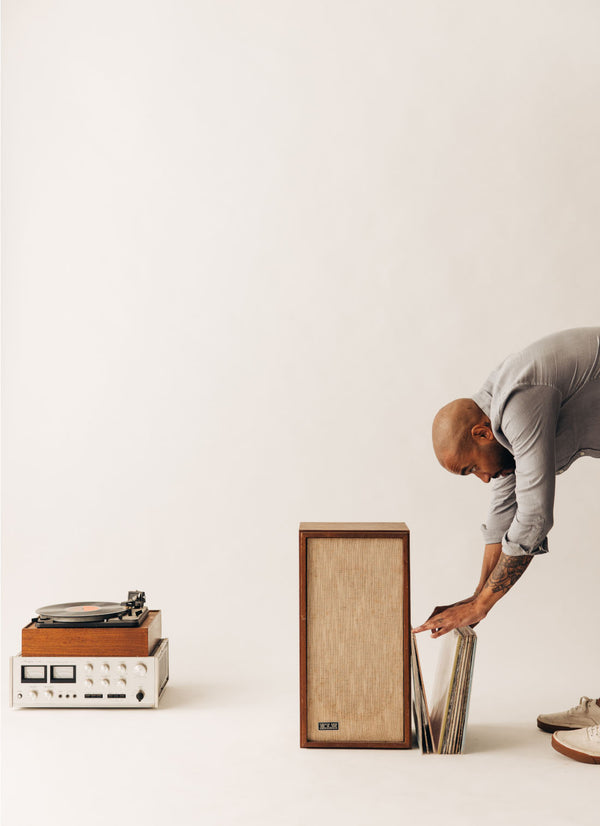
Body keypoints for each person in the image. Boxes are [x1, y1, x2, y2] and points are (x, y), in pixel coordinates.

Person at [413, 327, 600, 764]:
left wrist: (481, 607)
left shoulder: (518, 403)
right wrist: (476, 596)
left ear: (481, 435)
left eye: (468, 471)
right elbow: (503, 509)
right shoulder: (493, 413)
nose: (480, 478)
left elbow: (533, 517)